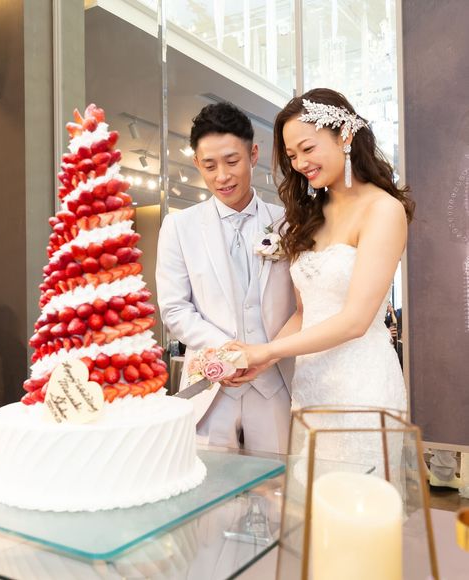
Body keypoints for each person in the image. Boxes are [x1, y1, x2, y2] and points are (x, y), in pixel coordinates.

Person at [227, 88, 414, 469]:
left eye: (307, 149)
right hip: (310, 387)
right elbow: (304, 313)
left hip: (362, 388)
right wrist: (262, 356)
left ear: (345, 135)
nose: (300, 164)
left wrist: (267, 352)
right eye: (292, 156)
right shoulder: (310, 215)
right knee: (311, 496)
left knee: (357, 498)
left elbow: (356, 320)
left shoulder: (383, 210)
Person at [156, 102, 295, 453]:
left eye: (232, 161)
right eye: (210, 165)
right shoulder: (179, 227)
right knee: (210, 482)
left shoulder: (288, 223)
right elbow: (174, 309)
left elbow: (301, 305)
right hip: (210, 387)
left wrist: (263, 355)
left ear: (253, 154)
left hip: (276, 385)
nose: (222, 176)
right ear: (196, 163)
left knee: (277, 481)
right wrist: (228, 353)